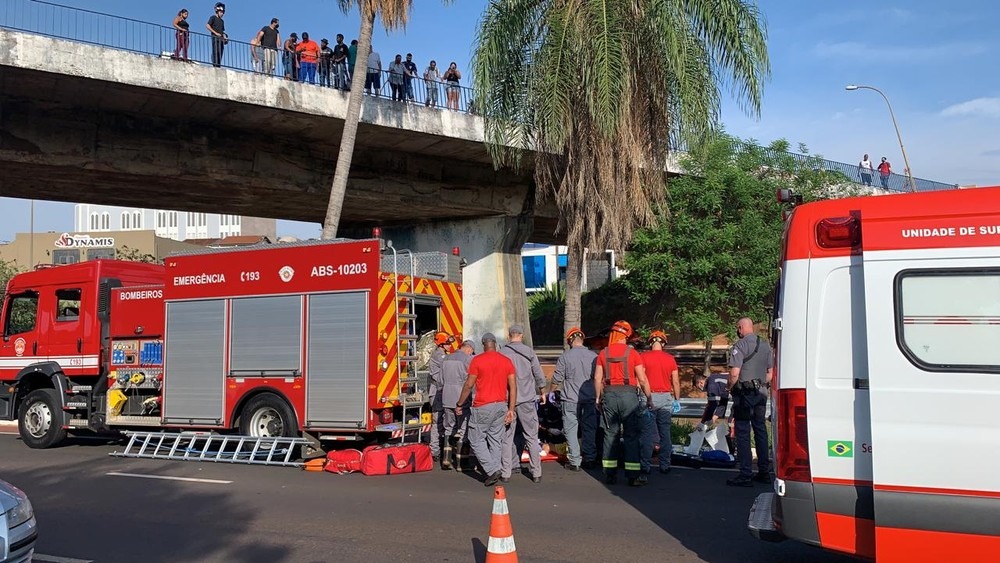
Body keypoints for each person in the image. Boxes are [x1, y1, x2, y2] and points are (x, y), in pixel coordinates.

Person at [594, 320, 652, 486]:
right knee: (631, 436)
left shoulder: (603, 354)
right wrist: (649, 398)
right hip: (629, 397)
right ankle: (633, 476)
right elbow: (642, 378)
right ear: (625, 335)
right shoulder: (633, 354)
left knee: (610, 435)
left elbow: (598, 378)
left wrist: (598, 398)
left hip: (610, 396)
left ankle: (610, 474)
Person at [455, 333, 516, 487]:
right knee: (495, 439)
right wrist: (511, 409)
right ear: (495, 344)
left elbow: (469, 385)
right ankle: (495, 470)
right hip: (501, 405)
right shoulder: (506, 361)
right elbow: (513, 387)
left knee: (476, 439)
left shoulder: (477, 360)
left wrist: (460, 403)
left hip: (482, 406)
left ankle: (491, 470)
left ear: (483, 344)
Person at [726, 317, 773, 487]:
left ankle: (745, 473)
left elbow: (734, 373)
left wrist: (729, 387)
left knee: (743, 432)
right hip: (761, 393)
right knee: (760, 430)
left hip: (744, 395)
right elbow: (770, 374)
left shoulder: (741, 345)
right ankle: (763, 471)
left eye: (738, 329)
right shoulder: (766, 345)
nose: (737, 332)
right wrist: (760, 384)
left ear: (740, 327)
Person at [500, 324, 547, 483]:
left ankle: (506, 473)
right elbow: (538, 374)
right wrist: (542, 391)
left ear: (509, 336)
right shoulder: (529, 352)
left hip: (508, 402)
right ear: (521, 335)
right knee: (531, 437)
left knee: (507, 437)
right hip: (527, 399)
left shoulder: (502, 353)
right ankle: (536, 473)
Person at [547, 327, 598, 471]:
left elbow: (557, 378)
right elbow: (598, 377)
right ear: (582, 340)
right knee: (589, 428)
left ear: (570, 341)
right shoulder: (593, 356)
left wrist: (551, 392)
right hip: (589, 398)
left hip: (570, 399)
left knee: (570, 430)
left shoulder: (566, 356)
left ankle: (575, 461)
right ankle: (590, 458)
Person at [639, 330, 680, 475]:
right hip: (665, 398)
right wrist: (677, 399)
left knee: (647, 434)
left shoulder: (643, 357)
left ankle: (645, 465)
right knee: (665, 433)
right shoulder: (670, 359)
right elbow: (675, 380)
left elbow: (641, 379)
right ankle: (665, 464)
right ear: (663, 343)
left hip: (648, 397)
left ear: (650, 342)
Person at [439, 340, 475, 469]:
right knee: (463, 429)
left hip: (446, 397)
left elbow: (440, 380)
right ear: (469, 349)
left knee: (449, 428)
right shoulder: (467, 360)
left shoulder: (447, 358)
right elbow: (469, 381)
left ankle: (446, 459)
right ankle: (462, 463)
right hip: (461, 398)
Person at [428, 331, 455, 463]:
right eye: (448, 343)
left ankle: (440, 449)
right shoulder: (439, 356)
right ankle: (435, 450)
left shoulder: (444, 355)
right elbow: (441, 377)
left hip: (442, 392)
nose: (450, 346)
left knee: (444, 422)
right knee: (437, 421)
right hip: (438, 392)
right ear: (441, 344)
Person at [205, 3, 227, 68]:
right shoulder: (213, 18)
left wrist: (225, 36)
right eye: (221, 12)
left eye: (223, 12)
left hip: (221, 39)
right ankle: (215, 65)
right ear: (217, 11)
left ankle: (218, 66)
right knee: (215, 51)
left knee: (220, 53)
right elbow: (207, 25)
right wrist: (215, 33)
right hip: (215, 38)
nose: (222, 14)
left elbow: (222, 31)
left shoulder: (222, 21)